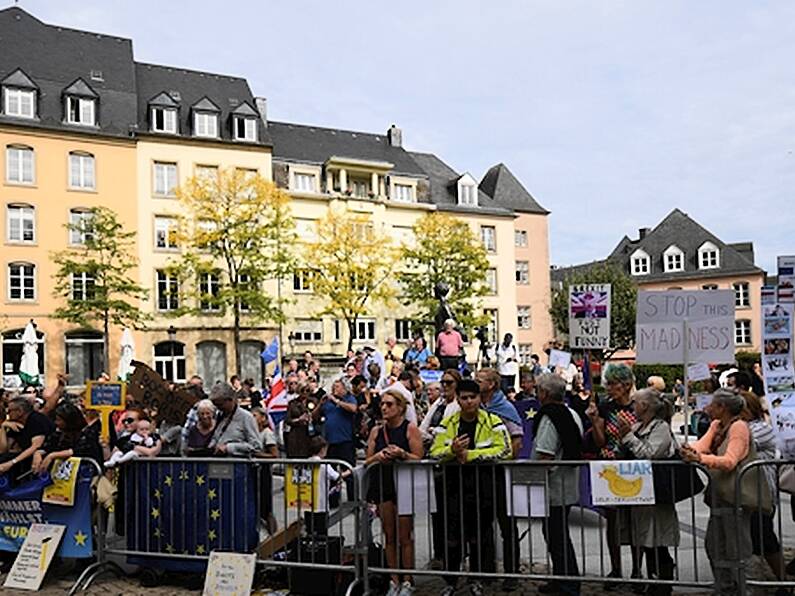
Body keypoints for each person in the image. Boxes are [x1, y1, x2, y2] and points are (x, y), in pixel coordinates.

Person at [430, 379, 512, 596]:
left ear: (479, 398)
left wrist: (471, 456)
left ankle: (478, 579)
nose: (468, 402)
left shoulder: (493, 421)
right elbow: (434, 451)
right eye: (464, 398)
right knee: (452, 536)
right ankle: (450, 580)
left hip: (482, 487)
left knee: (480, 536)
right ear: (458, 399)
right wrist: (453, 451)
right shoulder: (447, 423)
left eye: (472, 397)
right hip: (453, 487)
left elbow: (505, 450)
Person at [680, 389, 759, 595]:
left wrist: (700, 459)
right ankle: (725, 587)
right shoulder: (717, 425)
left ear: (722, 408)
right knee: (714, 544)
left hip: (736, 496)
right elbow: (702, 445)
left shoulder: (739, 427)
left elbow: (730, 460)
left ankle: (745, 588)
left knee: (737, 547)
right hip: (720, 495)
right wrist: (689, 450)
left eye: (712, 404)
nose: (708, 408)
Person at [617, 389, 679, 596]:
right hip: (638, 492)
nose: (633, 406)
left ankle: (662, 583)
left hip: (656, 493)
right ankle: (653, 580)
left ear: (645, 406)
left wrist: (627, 436)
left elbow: (649, 454)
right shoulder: (637, 426)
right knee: (645, 539)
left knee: (657, 539)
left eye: (636, 403)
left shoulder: (660, 428)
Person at [585, 363, 641, 586]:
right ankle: (615, 568)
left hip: (634, 465)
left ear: (626, 385)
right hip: (609, 464)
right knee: (613, 520)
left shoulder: (640, 406)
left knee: (635, 520)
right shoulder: (606, 407)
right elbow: (600, 441)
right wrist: (594, 420)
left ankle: (638, 570)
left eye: (612, 384)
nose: (608, 387)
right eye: (607, 383)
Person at [365, 390, 423, 596]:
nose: (384, 408)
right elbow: (367, 460)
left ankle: (408, 579)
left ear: (400, 408)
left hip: (405, 483)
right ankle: (393, 579)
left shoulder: (410, 429)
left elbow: (419, 458)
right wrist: (379, 456)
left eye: (389, 404)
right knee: (389, 534)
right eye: (382, 404)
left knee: (405, 536)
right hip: (383, 483)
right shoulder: (376, 431)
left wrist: (403, 454)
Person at [532, 374, 583, 596]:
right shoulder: (571, 413)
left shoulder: (550, 417)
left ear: (544, 393)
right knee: (556, 534)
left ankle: (568, 583)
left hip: (553, 485)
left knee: (557, 536)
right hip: (566, 483)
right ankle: (561, 577)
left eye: (537, 390)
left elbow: (545, 453)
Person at [475, 368, 522, 589]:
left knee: (507, 525)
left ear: (492, 384)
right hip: (480, 472)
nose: (476, 382)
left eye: (480, 380)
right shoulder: (476, 406)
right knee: (483, 525)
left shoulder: (504, 408)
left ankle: (512, 574)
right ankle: (487, 571)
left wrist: (501, 457)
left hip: (501, 472)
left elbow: (517, 440)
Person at [741, 390, 787, 591]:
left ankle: (783, 581)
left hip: (761, 492)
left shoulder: (759, 429)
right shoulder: (741, 428)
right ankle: (761, 581)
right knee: (753, 538)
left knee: (764, 536)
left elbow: (739, 446)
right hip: (745, 491)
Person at [314, 378, 357, 498]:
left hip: (345, 441)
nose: (334, 389)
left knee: (348, 472)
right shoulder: (327, 402)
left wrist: (336, 401)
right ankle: (333, 499)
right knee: (331, 473)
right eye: (333, 386)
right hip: (330, 442)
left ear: (344, 388)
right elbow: (314, 417)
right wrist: (320, 404)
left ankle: (352, 499)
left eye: (337, 387)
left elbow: (353, 409)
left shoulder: (349, 398)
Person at [31, 402, 103, 472]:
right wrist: (38, 453)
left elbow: (76, 451)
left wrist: (52, 455)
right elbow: (48, 446)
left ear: (69, 420)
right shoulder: (58, 433)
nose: (56, 422)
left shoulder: (87, 434)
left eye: (59, 420)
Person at [0, 397, 55, 478]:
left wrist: (12, 462)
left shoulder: (36, 420)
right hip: (26, 458)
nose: (8, 414)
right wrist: (3, 427)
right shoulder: (15, 424)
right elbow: (4, 449)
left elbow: (36, 446)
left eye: (10, 411)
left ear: (20, 411)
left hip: (43, 455)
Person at [208, 383, 262, 456]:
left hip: (238, 464)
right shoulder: (219, 416)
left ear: (231, 400)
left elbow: (256, 446)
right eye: (215, 405)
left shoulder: (246, 417)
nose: (218, 408)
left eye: (220, 404)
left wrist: (229, 448)